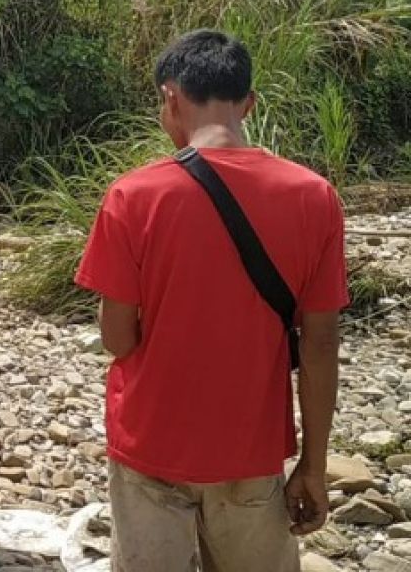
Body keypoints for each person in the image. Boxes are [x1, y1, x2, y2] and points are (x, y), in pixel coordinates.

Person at [74, 29, 347, 572]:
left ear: (169, 97)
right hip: (249, 454)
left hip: (150, 447)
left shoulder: (134, 196)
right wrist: (313, 466)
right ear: (249, 103)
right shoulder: (313, 196)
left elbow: (117, 337)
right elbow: (320, 342)